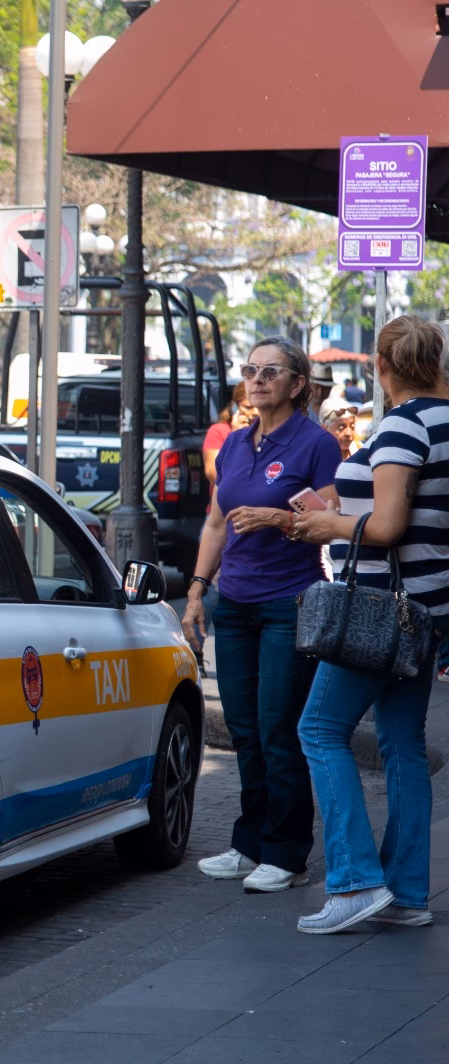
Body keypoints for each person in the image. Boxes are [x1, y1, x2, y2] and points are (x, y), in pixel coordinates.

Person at [289, 315, 449, 933]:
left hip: (382, 608)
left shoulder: (407, 425)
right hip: (427, 607)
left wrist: (330, 524)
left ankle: (355, 882)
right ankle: (407, 892)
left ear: (381, 369)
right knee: (403, 745)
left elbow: (387, 527)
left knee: (320, 730)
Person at [182, 336, 342, 894]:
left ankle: (286, 852)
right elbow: (215, 524)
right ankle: (248, 842)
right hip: (236, 603)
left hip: (288, 602)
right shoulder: (233, 445)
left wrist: (278, 517)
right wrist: (199, 590)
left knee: (279, 729)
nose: (257, 379)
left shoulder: (316, 444)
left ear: (297, 384)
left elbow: (331, 517)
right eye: (250, 370)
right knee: (245, 729)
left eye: (270, 371)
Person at [205, 382, 251, 489]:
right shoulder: (219, 431)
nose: (255, 412)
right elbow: (213, 475)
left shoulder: (265, 430)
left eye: (259, 407)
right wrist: (235, 438)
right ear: (234, 407)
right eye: (248, 407)